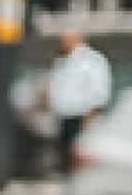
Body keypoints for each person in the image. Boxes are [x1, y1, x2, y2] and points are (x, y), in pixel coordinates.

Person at [48, 31, 112, 178]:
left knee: (80, 152)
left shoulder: (91, 60)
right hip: (63, 114)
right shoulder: (62, 60)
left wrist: (91, 116)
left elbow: (99, 89)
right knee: (64, 152)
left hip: (81, 114)